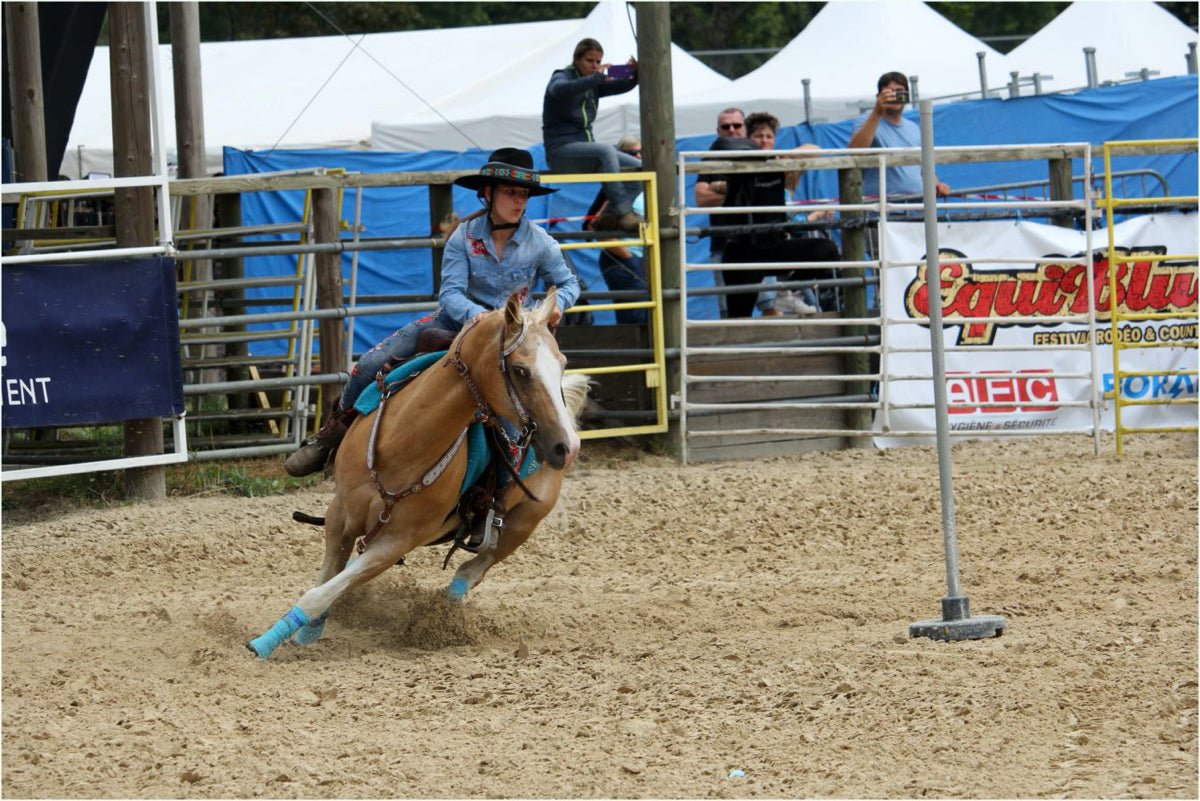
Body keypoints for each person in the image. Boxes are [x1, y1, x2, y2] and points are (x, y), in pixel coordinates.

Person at [283, 148, 581, 477]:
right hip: (455, 326)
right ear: (488, 193)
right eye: (511, 192)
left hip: (510, 342)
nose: (519, 201)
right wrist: (477, 315)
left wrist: (559, 305)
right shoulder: (463, 239)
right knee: (369, 364)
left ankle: (504, 500)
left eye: (523, 195)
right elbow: (450, 293)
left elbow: (569, 283)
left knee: (513, 423)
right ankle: (329, 440)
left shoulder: (541, 243)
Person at [719, 113, 840, 320]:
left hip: (773, 245)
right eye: (758, 136)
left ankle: (789, 291)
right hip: (743, 250)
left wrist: (785, 155)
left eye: (769, 136)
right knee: (738, 317)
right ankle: (738, 350)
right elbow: (724, 165)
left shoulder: (780, 164)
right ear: (748, 139)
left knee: (826, 249)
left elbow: (815, 151)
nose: (764, 140)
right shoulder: (739, 162)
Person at [542, 38, 642, 232]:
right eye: (590, 61)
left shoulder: (593, 81)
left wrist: (634, 72)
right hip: (560, 153)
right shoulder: (562, 76)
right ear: (576, 60)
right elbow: (558, 90)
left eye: (598, 61)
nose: (595, 65)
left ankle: (608, 218)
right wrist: (596, 78)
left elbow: (621, 83)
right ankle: (624, 212)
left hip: (585, 152)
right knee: (605, 150)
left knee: (638, 168)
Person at [694, 107, 780, 317]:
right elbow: (701, 199)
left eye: (737, 125)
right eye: (726, 126)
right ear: (718, 130)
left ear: (745, 128)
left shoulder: (762, 158)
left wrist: (722, 188)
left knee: (770, 307)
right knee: (731, 312)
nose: (731, 130)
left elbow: (810, 151)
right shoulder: (711, 159)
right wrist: (741, 191)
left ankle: (777, 350)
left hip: (760, 243)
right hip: (724, 244)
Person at [848, 71, 950, 198]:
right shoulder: (866, 121)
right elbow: (855, 152)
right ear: (878, 96)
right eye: (889, 92)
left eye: (899, 91)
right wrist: (877, 111)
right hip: (882, 206)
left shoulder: (913, 128)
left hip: (917, 203)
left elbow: (923, 166)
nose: (895, 95)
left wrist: (937, 185)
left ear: (907, 95)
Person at [583, 135, 649, 325]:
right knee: (635, 318)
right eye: (631, 153)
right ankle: (636, 355)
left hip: (645, 258)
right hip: (622, 259)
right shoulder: (615, 188)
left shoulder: (647, 183)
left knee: (651, 316)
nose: (637, 156)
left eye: (641, 152)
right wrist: (629, 258)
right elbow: (594, 226)